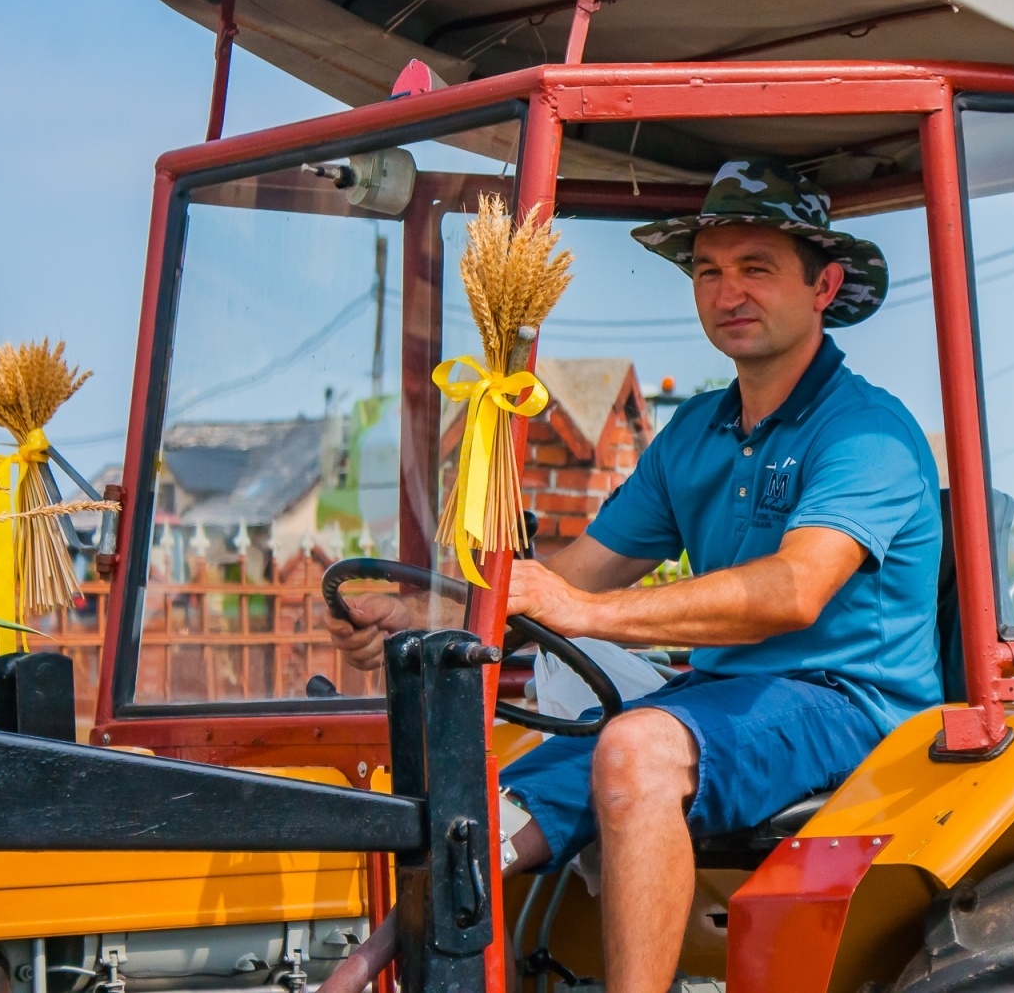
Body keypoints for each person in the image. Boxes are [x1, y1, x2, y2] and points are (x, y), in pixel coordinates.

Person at [328, 158, 943, 993]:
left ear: (824, 284)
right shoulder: (699, 431)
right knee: (484, 806)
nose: (730, 293)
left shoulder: (867, 433)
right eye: (709, 272)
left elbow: (794, 591)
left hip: (853, 706)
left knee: (635, 749)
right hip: (722, 703)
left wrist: (584, 611)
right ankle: (354, 973)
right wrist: (417, 611)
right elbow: (569, 576)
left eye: (757, 269)